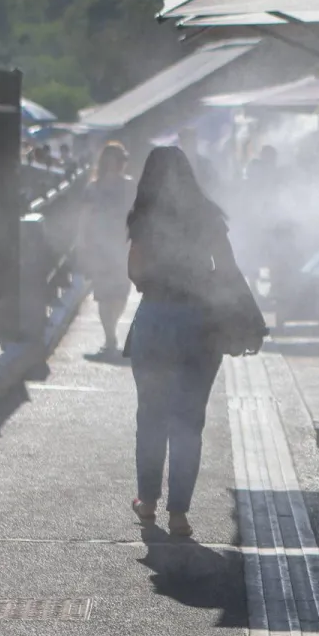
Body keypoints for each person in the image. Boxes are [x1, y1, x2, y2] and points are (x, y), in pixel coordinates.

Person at [123, 145, 243, 538]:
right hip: (199, 325)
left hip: (155, 321)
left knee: (151, 415)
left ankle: (147, 503)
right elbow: (226, 269)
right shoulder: (208, 216)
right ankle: (179, 515)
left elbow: (135, 271)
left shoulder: (144, 218)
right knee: (189, 421)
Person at [83, 142, 134, 355]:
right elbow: (85, 217)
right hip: (100, 245)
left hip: (123, 245)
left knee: (121, 293)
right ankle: (110, 336)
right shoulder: (93, 187)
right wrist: (83, 242)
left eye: (119, 159)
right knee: (104, 293)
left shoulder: (129, 185)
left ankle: (111, 329)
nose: (116, 164)